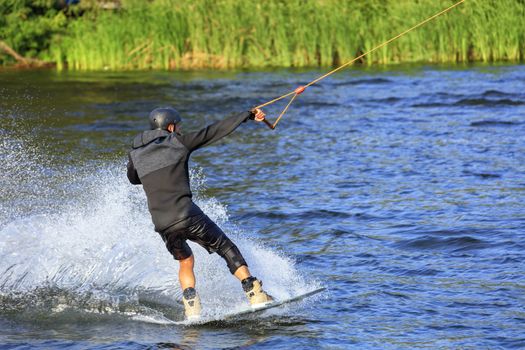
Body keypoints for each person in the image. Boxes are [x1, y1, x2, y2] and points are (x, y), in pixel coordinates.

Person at [126, 107, 273, 319]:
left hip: (163, 223)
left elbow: (133, 178)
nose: (179, 130)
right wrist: (245, 115)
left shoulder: (136, 154)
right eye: (177, 126)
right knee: (225, 247)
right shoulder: (177, 142)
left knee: (185, 261)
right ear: (170, 127)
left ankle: (192, 307)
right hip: (186, 214)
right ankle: (255, 292)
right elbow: (212, 131)